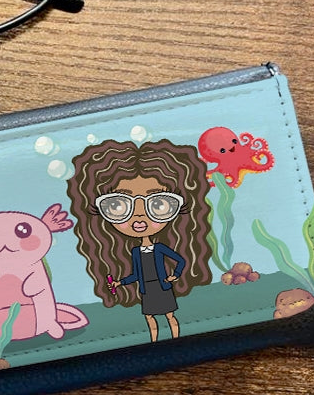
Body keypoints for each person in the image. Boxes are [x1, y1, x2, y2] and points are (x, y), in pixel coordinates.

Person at [67, 138, 213, 342]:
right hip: (147, 290)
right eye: (117, 205)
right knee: (149, 317)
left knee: (170, 315)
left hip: (162, 287)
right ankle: (155, 342)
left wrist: (175, 276)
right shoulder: (135, 252)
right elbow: (136, 274)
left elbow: (180, 260)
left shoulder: (160, 248)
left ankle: (176, 339)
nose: (139, 215)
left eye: (158, 204)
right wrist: (119, 282)